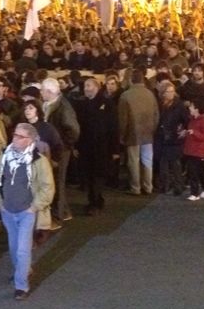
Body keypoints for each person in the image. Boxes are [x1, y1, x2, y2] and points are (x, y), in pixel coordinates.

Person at [0, 122, 54, 300]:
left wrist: (34, 207)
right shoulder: (4, 156)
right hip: (8, 210)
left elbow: (48, 187)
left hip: (27, 212)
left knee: (23, 249)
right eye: (15, 135)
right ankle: (23, 270)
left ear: (30, 140)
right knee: (13, 246)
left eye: (20, 136)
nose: (15, 139)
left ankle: (21, 285)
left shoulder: (39, 161)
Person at [40, 77, 79, 222]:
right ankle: (63, 210)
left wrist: (63, 145)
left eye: (43, 90)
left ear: (49, 91)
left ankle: (59, 213)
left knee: (57, 180)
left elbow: (73, 130)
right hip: (53, 148)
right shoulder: (50, 104)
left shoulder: (63, 107)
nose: (41, 93)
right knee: (54, 180)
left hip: (60, 149)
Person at [74, 77, 114, 213]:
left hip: (101, 146)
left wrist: (115, 149)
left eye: (89, 85)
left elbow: (113, 127)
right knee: (89, 175)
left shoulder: (107, 103)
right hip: (86, 146)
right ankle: (95, 200)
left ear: (96, 87)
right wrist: (76, 145)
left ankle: (95, 203)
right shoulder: (82, 105)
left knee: (97, 174)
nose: (86, 88)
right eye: (85, 86)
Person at [118, 68, 159, 195]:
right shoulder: (150, 94)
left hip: (132, 133)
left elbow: (123, 119)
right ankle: (148, 186)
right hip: (148, 133)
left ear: (131, 80)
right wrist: (153, 129)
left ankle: (135, 187)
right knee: (147, 160)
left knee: (133, 161)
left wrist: (122, 135)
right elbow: (156, 115)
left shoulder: (126, 95)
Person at [183, 100, 204, 201]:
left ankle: (195, 193)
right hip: (192, 151)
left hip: (200, 152)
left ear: (197, 109)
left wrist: (194, 133)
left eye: (192, 107)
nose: (190, 108)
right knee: (198, 172)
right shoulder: (193, 120)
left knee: (198, 173)